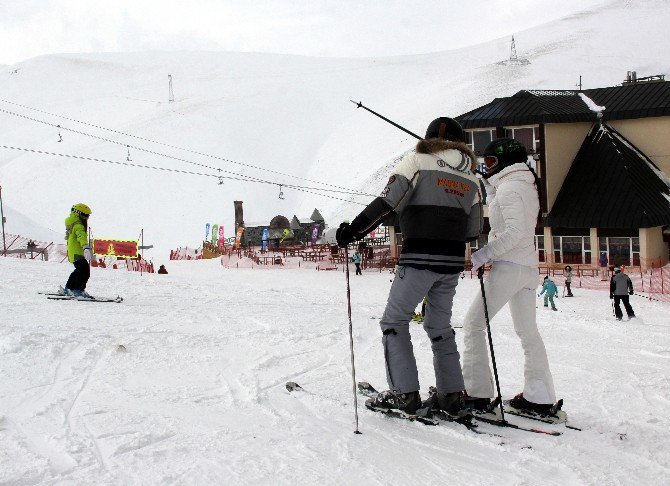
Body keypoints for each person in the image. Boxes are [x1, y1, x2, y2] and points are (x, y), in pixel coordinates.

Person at [336, 116, 482, 417]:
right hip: (452, 262)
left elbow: (387, 202)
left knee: (394, 322)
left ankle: (405, 395)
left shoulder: (416, 161)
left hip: (418, 258)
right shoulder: (472, 178)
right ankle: (451, 397)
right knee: (439, 326)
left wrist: (353, 232)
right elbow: (473, 229)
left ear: (429, 139)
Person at [462, 138, 557, 415]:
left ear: (504, 162)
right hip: (528, 268)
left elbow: (513, 232)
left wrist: (484, 253)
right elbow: (512, 217)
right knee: (528, 332)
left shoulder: (510, 189)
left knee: (473, 325)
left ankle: (477, 392)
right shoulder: (523, 185)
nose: (486, 168)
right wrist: (491, 186)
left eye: (490, 163)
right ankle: (539, 396)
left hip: (510, 267)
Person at [64, 203, 93, 297]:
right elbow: (81, 236)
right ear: (79, 214)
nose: (87, 218)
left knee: (78, 270)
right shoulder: (78, 225)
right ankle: (77, 289)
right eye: (86, 216)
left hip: (74, 251)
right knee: (84, 271)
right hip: (77, 251)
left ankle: (68, 288)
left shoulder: (72, 223)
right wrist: (85, 247)